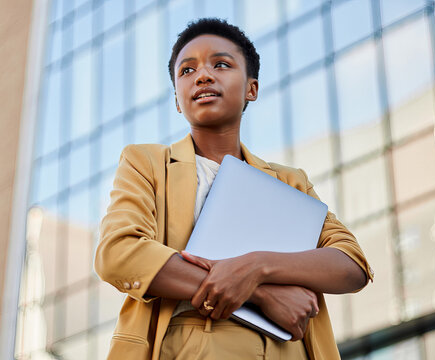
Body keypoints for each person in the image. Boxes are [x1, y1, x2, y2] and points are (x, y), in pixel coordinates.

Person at [94, 18, 374, 360]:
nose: (202, 75)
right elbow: (119, 253)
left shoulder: (290, 181)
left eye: (221, 64)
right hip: (189, 346)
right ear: (178, 102)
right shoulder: (147, 162)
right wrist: (258, 294)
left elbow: (351, 265)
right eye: (186, 71)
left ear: (251, 89)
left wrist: (256, 267)